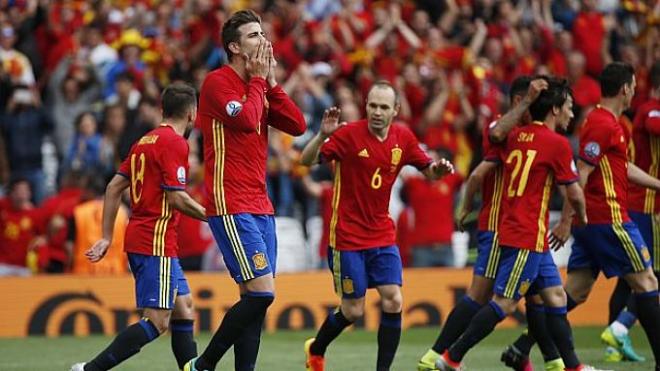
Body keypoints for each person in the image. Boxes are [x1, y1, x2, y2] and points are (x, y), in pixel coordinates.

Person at [503, 62, 660, 371]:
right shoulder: (603, 123)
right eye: (633, 87)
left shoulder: (605, 123)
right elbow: (582, 173)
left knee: (573, 291)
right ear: (626, 88)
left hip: (592, 222)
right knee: (647, 280)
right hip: (608, 218)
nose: (634, 92)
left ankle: (520, 347)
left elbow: (621, 167)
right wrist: (566, 220)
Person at [434, 78, 588, 371]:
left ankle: (573, 367)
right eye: (568, 107)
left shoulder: (514, 137)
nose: (572, 113)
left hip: (527, 232)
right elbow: (575, 192)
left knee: (555, 297)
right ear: (555, 110)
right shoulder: (558, 144)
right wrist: (582, 215)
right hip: (525, 233)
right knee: (503, 302)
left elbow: (493, 139)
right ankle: (451, 357)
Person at [300, 81, 454, 371]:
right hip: (347, 235)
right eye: (372, 105)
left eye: (384, 107)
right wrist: (322, 135)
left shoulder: (403, 138)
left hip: (382, 233)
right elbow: (306, 161)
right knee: (353, 310)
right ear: (365, 105)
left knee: (394, 300)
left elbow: (429, 172)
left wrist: (439, 171)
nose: (377, 112)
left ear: (395, 110)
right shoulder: (347, 135)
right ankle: (316, 348)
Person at [184, 9, 306, 371]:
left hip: (261, 204)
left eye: (263, 34)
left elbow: (297, 125)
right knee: (262, 293)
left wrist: (268, 82)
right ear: (235, 46)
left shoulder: (258, 85)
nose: (264, 41)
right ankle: (202, 365)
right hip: (230, 201)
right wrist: (257, 82)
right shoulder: (217, 83)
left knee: (254, 298)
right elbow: (248, 120)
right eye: (255, 35)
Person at [70, 82, 206, 371]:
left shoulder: (146, 141)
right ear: (193, 113)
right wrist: (213, 216)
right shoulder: (176, 143)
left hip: (148, 235)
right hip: (155, 239)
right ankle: (89, 370)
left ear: (162, 109)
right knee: (157, 321)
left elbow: (113, 186)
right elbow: (177, 197)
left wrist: (107, 236)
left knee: (184, 307)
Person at [417, 75, 545, 370]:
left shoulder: (535, 135)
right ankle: (443, 354)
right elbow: (477, 173)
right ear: (519, 101)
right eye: (533, 101)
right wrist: (464, 208)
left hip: (525, 229)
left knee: (546, 298)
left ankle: (545, 358)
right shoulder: (499, 129)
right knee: (490, 296)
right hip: (502, 228)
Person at [598, 60, 660, 362]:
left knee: (630, 279)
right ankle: (621, 328)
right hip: (649, 205)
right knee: (653, 274)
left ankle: (614, 340)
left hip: (639, 202)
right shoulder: (650, 109)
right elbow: (653, 126)